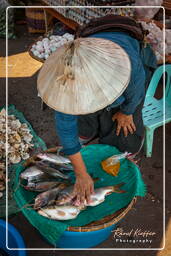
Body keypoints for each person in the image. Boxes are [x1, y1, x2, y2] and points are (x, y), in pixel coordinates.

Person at [38, 15, 157, 206]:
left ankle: (126, 157)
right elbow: (66, 127)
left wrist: (126, 111)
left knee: (124, 129)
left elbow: (137, 89)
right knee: (83, 121)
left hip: (129, 53)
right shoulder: (64, 82)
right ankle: (87, 137)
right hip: (92, 46)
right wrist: (81, 173)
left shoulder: (128, 64)